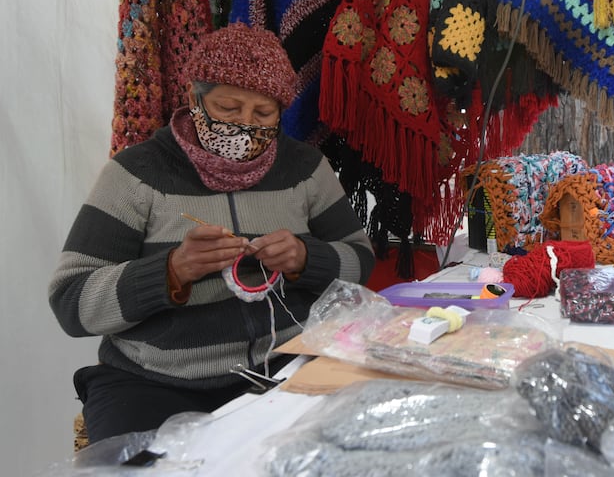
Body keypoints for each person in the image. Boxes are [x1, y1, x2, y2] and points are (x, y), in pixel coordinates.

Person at [48, 23, 376, 444]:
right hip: (156, 382)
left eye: (263, 114)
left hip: (287, 366)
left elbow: (360, 261)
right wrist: (170, 272)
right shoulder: (136, 174)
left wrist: (305, 258)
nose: (244, 125)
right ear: (194, 99)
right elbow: (71, 302)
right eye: (227, 107)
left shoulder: (306, 169)